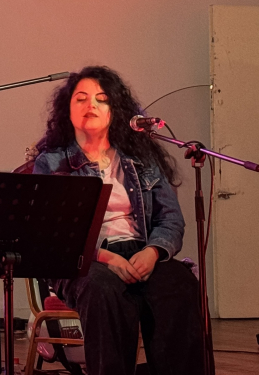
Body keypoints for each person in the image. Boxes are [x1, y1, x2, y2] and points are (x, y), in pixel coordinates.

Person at [31, 66, 204, 375]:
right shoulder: (52, 162)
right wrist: (106, 258)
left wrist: (152, 252)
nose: (91, 106)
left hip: (140, 251)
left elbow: (171, 219)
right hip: (83, 260)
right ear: (67, 111)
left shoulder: (142, 156)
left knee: (179, 284)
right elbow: (54, 233)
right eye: (81, 99)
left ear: (115, 109)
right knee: (103, 289)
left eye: (101, 98)